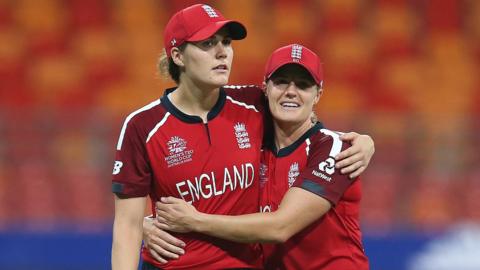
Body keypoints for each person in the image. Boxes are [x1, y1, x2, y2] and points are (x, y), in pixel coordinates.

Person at [111, 4, 373, 270]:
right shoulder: (142, 126)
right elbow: (126, 225)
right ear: (178, 56)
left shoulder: (252, 106)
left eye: (226, 42)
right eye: (208, 43)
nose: (222, 52)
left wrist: (365, 142)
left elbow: (309, 130)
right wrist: (145, 225)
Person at [154, 44, 370, 269]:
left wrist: (194, 221)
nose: (291, 91)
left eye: (303, 85)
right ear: (265, 88)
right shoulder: (250, 149)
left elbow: (280, 227)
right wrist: (147, 224)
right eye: (281, 82)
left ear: (318, 95)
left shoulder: (333, 149)